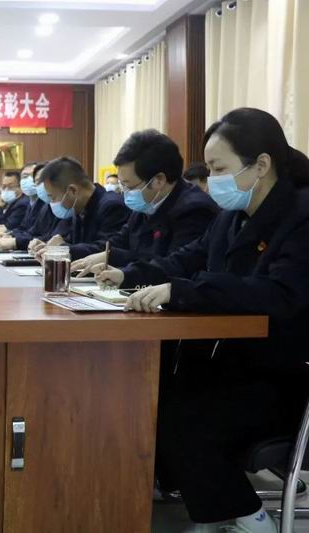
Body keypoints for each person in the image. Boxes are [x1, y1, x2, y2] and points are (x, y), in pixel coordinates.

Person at [95, 108, 309, 533]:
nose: (212, 180)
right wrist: (128, 274)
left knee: (181, 417)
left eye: (220, 168)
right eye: (209, 169)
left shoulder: (301, 215)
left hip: (284, 375)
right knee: (147, 396)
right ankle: (210, 508)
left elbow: (280, 294)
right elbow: (186, 260)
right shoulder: (231, 217)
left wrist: (183, 290)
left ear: (261, 165)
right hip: (230, 362)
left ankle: (251, 519)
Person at [70, 130, 218, 271]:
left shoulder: (194, 210)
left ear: (158, 180)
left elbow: (172, 265)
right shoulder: (146, 205)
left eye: (128, 186)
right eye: (122, 185)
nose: (124, 192)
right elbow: (116, 243)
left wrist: (112, 257)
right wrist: (68, 252)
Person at [32, 157, 129, 259]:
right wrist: (48, 247)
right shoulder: (79, 208)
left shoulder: (112, 206)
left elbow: (107, 250)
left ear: (72, 191)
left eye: (53, 198)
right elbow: (73, 243)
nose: (51, 203)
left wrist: (63, 248)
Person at [0, 162, 48, 251]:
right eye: (25, 176)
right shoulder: (31, 202)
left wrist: (14, 241)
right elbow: (25, 229)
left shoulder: (43, 203)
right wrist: (10, 234)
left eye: (34, 176)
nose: (30, 179)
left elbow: (42, 235)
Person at [0, 171, 30, 237]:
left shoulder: (22, 204)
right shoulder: (8, 202)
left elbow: (6, 227)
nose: (6, 189)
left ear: (20, 186)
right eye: (4, 186)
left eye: (10, 186)